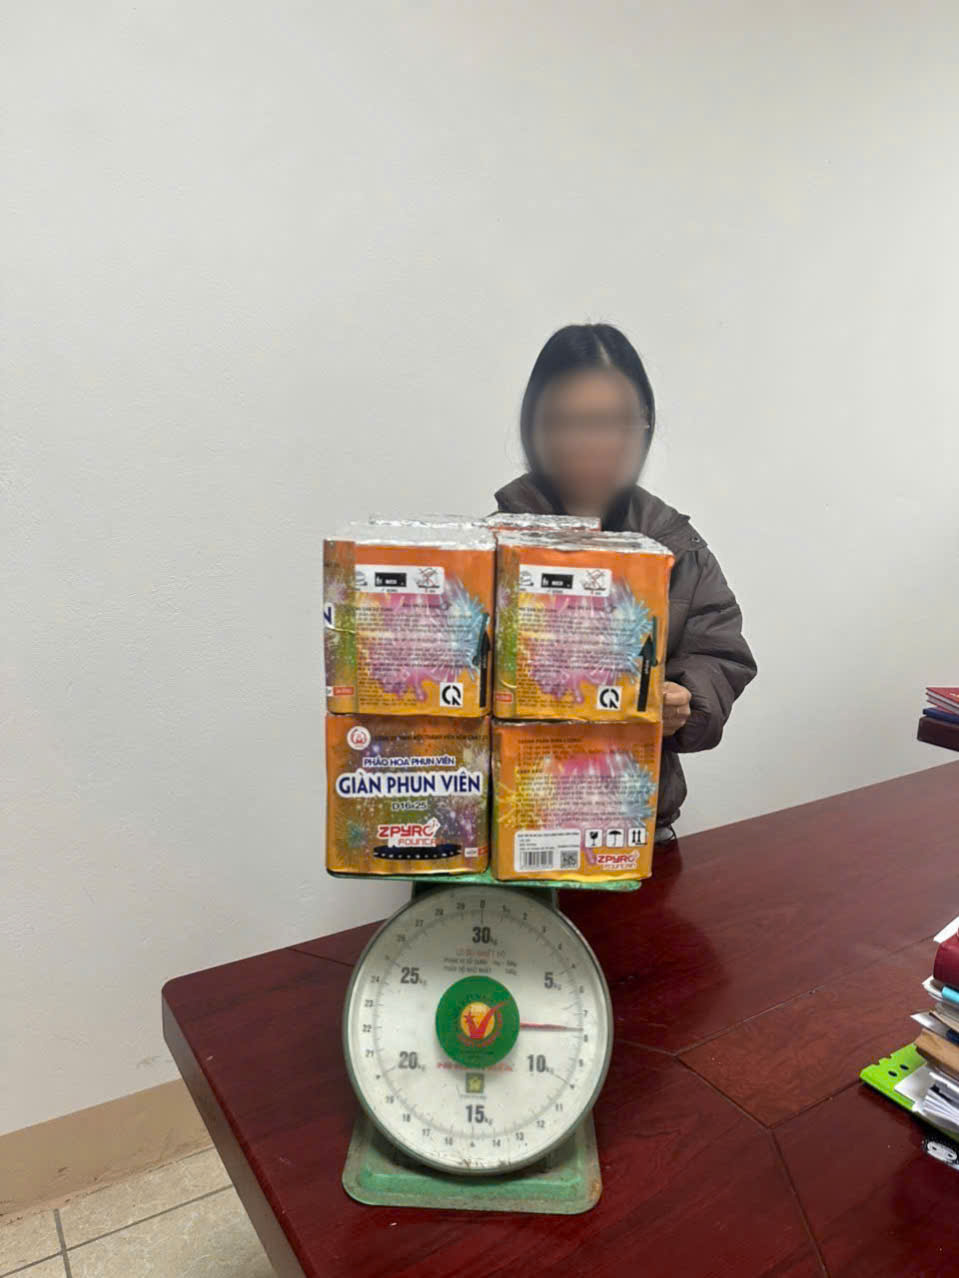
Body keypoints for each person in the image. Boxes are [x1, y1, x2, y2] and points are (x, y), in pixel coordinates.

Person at [495, 323, 757, 843]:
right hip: (516, 820)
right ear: (534, 428)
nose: (592, 444)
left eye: (613, 422)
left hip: (634, 829)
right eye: (569, 422)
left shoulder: (676, 546)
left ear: (644, 427)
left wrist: (686, 698)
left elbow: (721, 654)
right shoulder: (489, 549)